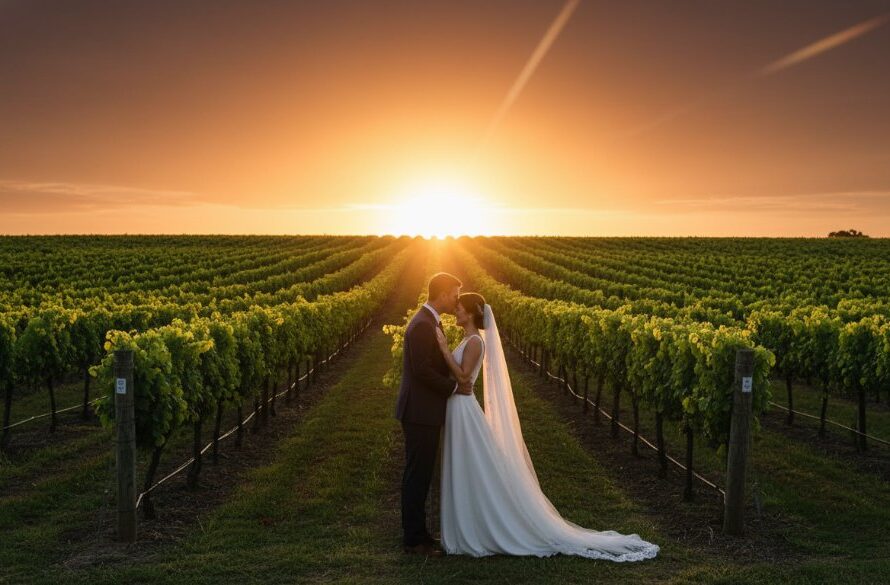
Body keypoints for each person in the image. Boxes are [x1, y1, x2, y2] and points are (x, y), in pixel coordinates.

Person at [432, 292, 660, 561]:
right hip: (458, 408)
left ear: (470, 313)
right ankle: (466, 525)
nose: (455, 312)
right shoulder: (467, 339)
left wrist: (444, 350)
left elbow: (463, 378)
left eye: (458, 309)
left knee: (470, 466)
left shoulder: (474, 342)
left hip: (463, 409)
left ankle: (478, 529)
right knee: (465, 466)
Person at [394, 272, 473, 556]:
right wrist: (454, 387)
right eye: (454, 294)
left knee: (421, 474)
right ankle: (414, 540)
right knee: (417, 475)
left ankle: (419, 534)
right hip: (419, 411)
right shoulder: (422, 325)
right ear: (441, 294)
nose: (456, 300)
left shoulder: (429, 321)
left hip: (423, 410)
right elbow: (421, 370)